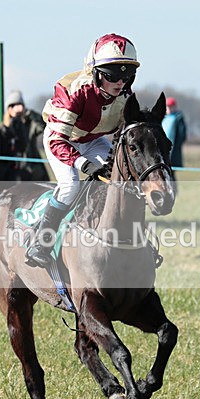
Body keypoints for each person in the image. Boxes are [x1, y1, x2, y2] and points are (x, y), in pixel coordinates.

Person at [25, 33, 139, 268]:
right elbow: (58, 141)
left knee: (115, 178)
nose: (120, 82)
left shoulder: (125, 95)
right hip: (62, 141)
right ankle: (40, 241)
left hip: (93, 140)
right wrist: (82, 164)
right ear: (95, 73)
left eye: (127, 75)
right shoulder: (74, 91)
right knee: (70, 186)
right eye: (112, 75)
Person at [0, 90, 48, 183]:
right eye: (12, 106)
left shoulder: (29, 123)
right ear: (8, 108)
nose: (16, 108)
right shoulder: (3, 127)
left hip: (32, 169)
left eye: (19, 105)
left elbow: (43, 126)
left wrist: (29, 113)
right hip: (12, 171)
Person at [162, 97, 187, 168]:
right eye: (167, 106)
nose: (169, 108)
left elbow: (182, 135)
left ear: (174, 107)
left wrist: (175, 147)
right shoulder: (163, 118)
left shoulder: (178, 118)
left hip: (173, 150)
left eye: (170, 106)